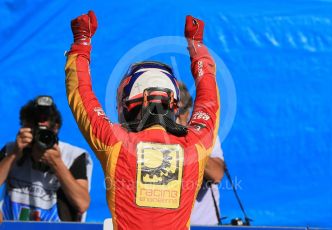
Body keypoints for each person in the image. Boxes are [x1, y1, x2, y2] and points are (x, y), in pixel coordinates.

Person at [65, 11, 219, 229]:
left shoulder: (115, 141)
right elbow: (209, 98)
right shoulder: (195, 144)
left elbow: (81, 95)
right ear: (173, 104)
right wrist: (197, 46)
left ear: (128, 103)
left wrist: (82, 42)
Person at [0, 96, 92, 221]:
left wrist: (57, 164)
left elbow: (82, 204)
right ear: (25, 127)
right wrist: (13, 156)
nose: (40, 139)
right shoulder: (12, 150)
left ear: (56, 128)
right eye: (36, 131)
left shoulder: (73, 156)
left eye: (46, 134)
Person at [177, 82, 225, 225]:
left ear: (187, 111)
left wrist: (186, 142)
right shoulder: (150, 138)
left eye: (177, 111)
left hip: (202, 225)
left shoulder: (204, 137)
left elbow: (217, 175)